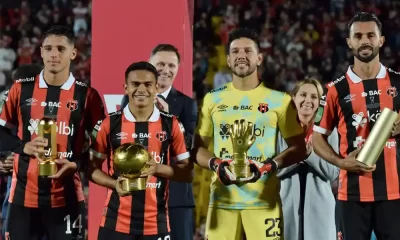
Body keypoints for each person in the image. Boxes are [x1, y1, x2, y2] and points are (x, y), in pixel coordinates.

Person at [192, 28, 307, 240]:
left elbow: (299, 148)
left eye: (248, 50)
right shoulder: (212, 99)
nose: (241, 56)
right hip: (222, 202)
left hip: (264, 202)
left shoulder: (279, 100)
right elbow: (197, 149)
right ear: (227, 59)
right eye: (235, 51)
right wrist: (216, 164)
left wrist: (268, 166)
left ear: (259, 58)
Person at [0, 25, 105, 240]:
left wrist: (77, 163)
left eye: (60, 48)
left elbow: (102, 144)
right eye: (48, 48)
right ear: (40, 52)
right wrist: (19, 149)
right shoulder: (20, 89)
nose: (54, 54)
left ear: (73, 53)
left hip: (66, 198)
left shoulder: (88, 96)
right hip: (22, 198)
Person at [313, 12, 400, 240]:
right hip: (351, 195)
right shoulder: (334, 89)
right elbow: (317, 137)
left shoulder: (398, 83)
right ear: (349, 42)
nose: (365, 40)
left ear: (381, 40)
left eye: (371, 35)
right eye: (358, 36)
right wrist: (341, 162)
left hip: (394, 194)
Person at [89, 61, 193, 240]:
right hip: (114, 223)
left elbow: (188, 173)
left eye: (148, 84)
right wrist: (114, 184)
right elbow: (91, 169)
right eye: (135, 84)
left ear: (157, 88)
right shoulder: (109, 124)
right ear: (126, 88)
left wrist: (158, 168)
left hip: (157, 225)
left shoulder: (172, 124)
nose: (141, 89)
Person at [121, 44, 198, 240]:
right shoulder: (129, 100)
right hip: (139, 196)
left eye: (172, 65)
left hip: (176, 199)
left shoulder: (187, 104)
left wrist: (167, 117)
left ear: (178, 68)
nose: (166, 70)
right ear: (150, 65)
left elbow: (190, 147)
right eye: (161, 64)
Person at [277, 79, 339, 240]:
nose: (308, 100)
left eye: (314, 97)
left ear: (319, 102)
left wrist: (309, 156)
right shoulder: (279, 129)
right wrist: (298, 155)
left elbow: (333, 172)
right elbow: (272, 169)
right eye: (303, 95)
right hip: (285, 205)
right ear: (294, 98)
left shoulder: (329, 131)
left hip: (321, 208)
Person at [0, 64, 42, 240]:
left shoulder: (52, 102)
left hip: (46, 179)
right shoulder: (6, 101)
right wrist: (2, 160)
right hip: (17, 180)